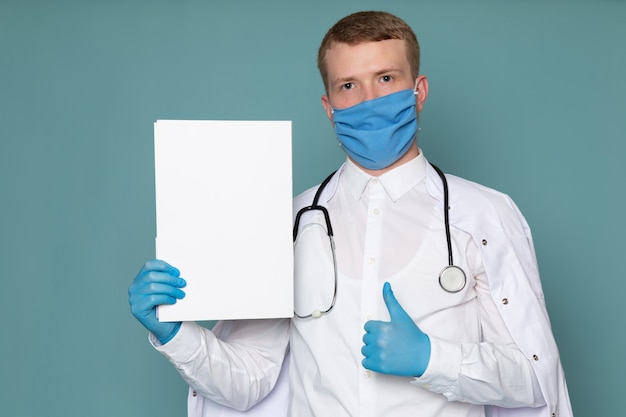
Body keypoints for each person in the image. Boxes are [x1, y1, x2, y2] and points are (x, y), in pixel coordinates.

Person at [129, 10, 573, 417]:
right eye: (348, 86)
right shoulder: (288, 223)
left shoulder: (485, 216)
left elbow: (533, 379)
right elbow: (249, 381)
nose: (368, 100)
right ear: (328, 106)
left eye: (385, 78)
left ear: (418, 91)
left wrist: (431, 358)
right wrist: (173, 332)